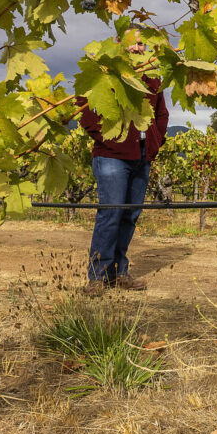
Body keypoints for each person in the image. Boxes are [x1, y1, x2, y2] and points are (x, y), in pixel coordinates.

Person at [79, 26, 169, 295]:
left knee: (130, 216)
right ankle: (97, 276)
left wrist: (155, 140)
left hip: (142, 155)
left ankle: (119, 272)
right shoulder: (103, 71)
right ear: (118, 44)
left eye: (141, 44)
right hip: (112, 156)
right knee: (111, 213)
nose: (136, 48)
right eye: (131, 43)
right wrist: (108, 139)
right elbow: (85, 111)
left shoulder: (152, 77)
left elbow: (162, 114)